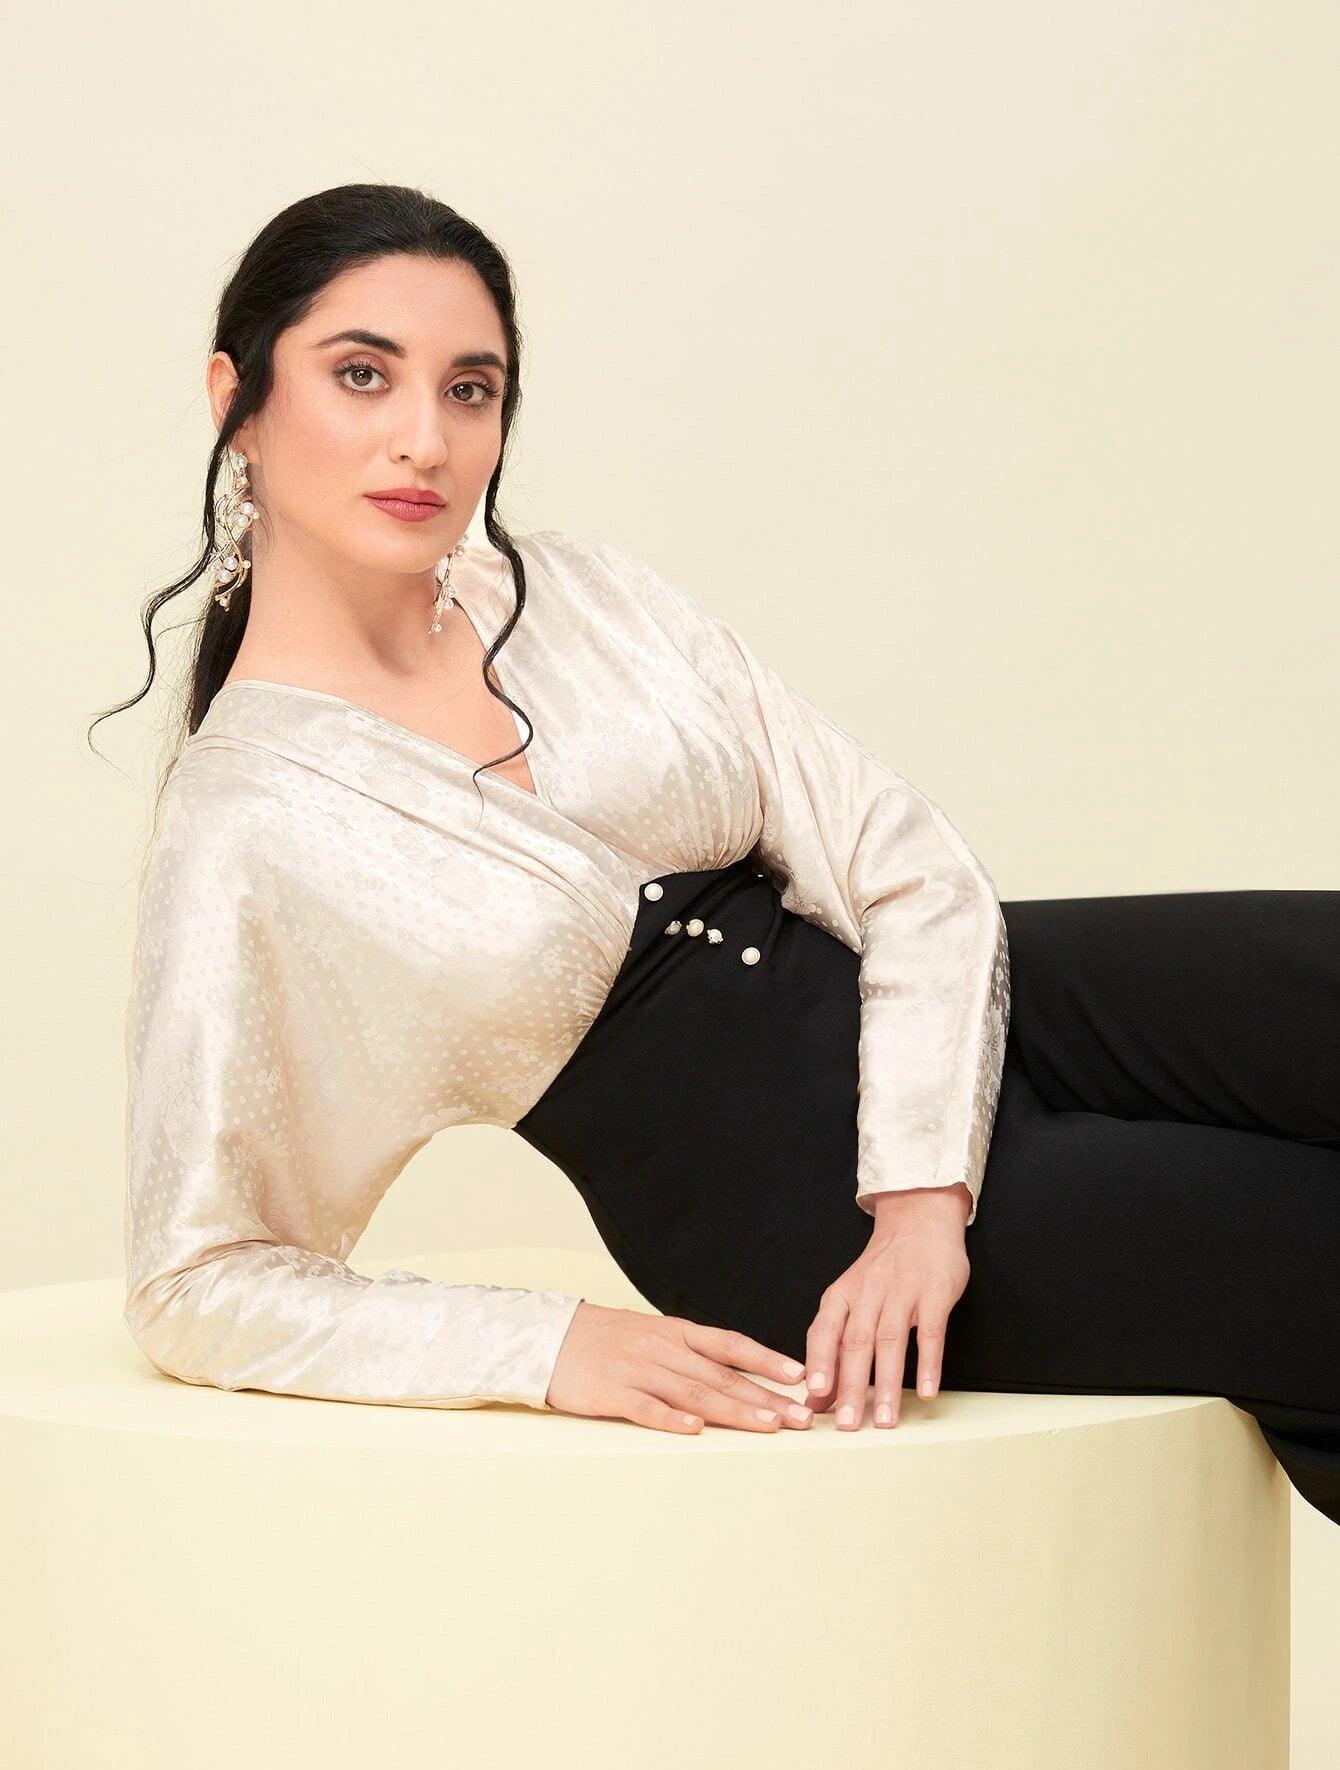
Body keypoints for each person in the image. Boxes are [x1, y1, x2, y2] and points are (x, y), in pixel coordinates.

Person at [93, 183, 1340, 1527]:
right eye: (362, 375)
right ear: (236, 399)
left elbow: (898, 857)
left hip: (944, 1011)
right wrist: (549, 1346)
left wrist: (924, 1189)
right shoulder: (242, 825)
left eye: (470, 389)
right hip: (791, 1209)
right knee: (1310, 1252)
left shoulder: (578, 595)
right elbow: (195, 1277)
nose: (425, 439)